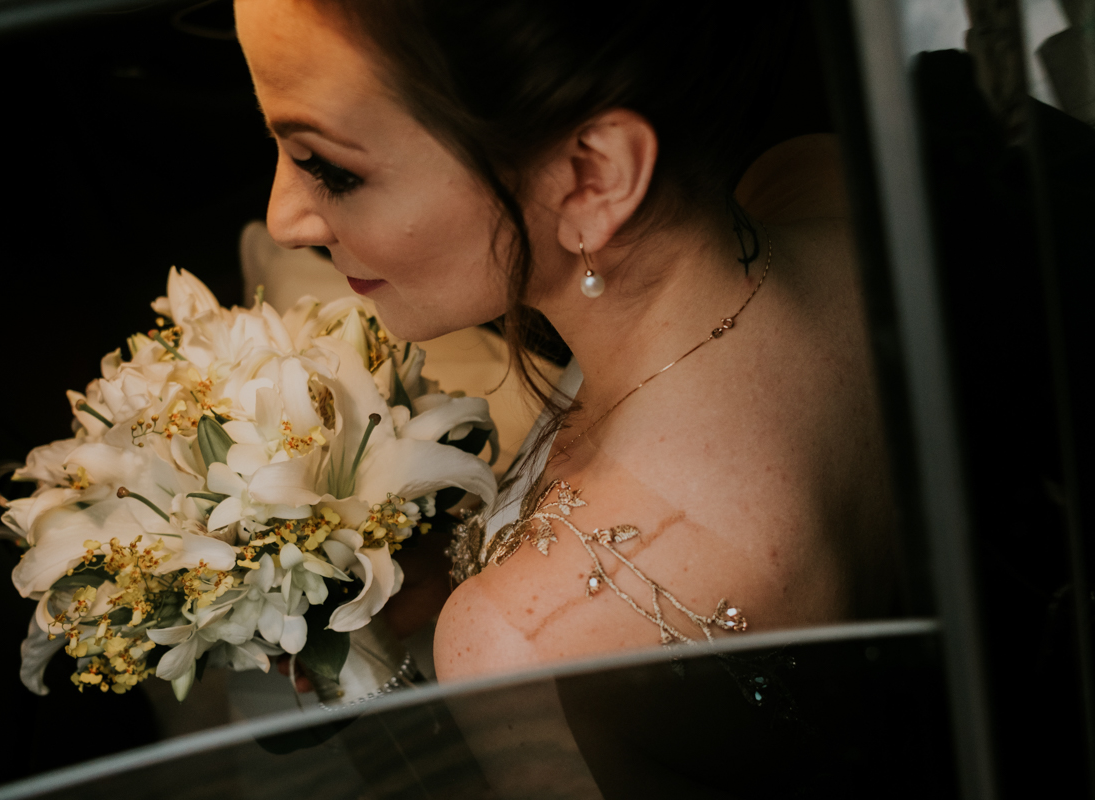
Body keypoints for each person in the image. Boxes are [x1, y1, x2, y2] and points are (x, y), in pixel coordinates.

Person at [234, 0, 897, 683]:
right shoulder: (825, 183)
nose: (282, 219)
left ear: (592, 177)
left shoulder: (516, 645)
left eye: (331, 168)